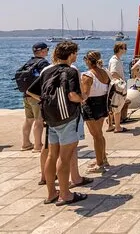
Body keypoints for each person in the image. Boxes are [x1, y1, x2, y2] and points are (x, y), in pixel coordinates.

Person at [26, 41, 88, 206]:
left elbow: (30, 91)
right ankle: (65, 195)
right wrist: (82, 99)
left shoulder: (47, 70)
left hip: (51, 118)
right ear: (71, 54)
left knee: (52, 155)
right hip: (67, 118)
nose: (76, 56)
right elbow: (72, 95)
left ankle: (51, 193)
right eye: (75, 53)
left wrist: (44, 100)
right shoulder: (71, 71)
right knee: (65, 157)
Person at [17, 42, 50, 152]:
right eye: (47, 50)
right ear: (43, 51)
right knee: (39, 120)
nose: (47, 52)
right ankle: (37, 145)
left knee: (28, 120)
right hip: (36, 96)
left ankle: (25, 144)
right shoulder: (43, 63)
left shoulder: (28, 62)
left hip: (26, 95)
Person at [81, 51, 110, 173]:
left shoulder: (88, 76)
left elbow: (85, 95)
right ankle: (102, 158)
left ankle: (99, 164)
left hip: (91, 105)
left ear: (87, 60)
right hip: (102, 104)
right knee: (99, 134)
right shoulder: (104, 72)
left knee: (96, 135)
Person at [108, 42, 130, 133]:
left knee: (113, 106)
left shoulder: (116, 59)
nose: (125, 50)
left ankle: (111, 125)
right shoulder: (115, 60)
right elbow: (113, 73)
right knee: (118, 107)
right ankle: (117, 127)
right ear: (119, 49)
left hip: (116, 85)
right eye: (124, 48)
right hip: (118, 86)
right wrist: (122, 80)